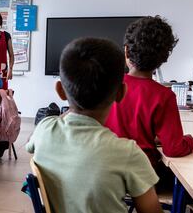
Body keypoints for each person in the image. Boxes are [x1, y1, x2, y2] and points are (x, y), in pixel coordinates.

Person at [26, 37, 162, 213]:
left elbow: (30, 143)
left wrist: (70, 108)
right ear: (121, 93)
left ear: (60, 91)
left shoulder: (44, 129)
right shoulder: (127, 153)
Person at [105, 16, 193, 172]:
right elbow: (174, 149)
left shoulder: (107, 84)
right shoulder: (164, 96)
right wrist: (190, 141)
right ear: (163, 59)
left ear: (126, 51)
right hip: (142, 179)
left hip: (105, 173)